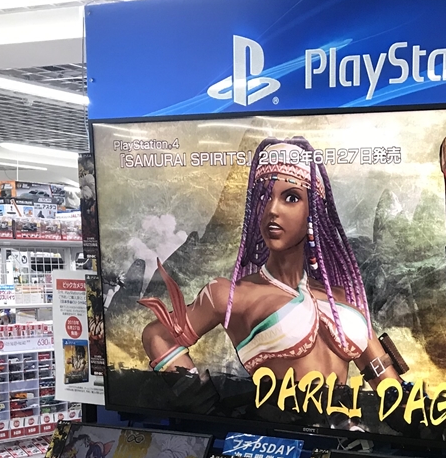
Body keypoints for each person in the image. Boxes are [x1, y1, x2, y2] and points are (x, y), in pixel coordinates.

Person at [140, 136, 400, 385]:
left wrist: (411, 410)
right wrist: (202, 403)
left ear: (313, 211)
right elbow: (157, 336)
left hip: (348, 417)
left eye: (291, 198)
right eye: (264, 197)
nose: (272, 210)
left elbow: (389, 384)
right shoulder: (230, 297)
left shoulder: (341, 297)